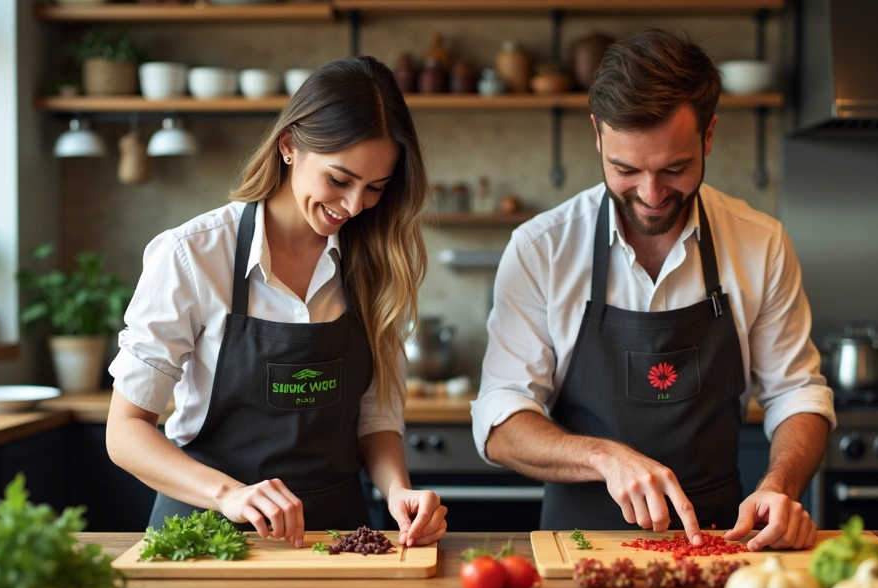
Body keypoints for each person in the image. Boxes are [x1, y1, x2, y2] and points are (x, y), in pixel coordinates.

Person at [472, 30, 835, 552]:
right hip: (576, 543)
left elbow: (796, 393)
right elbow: (501, 418)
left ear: (708, 136)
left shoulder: (761, 243)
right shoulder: (540, 248)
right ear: (597, 134)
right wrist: (604, 457)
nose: (651, 194)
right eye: (625, 169)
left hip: (720, 539)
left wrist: (779, 486)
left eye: (675, 168)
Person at [106, 56, 447, 549]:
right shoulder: (194, 254)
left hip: (337, 539)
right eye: (339, 179)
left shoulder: (375, 261)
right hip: (207, 538)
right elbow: (125, 433)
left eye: (375, 188)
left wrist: (398, 490)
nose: (354, 207)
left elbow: (374, 418)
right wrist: (229, 495)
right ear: (289, 146)